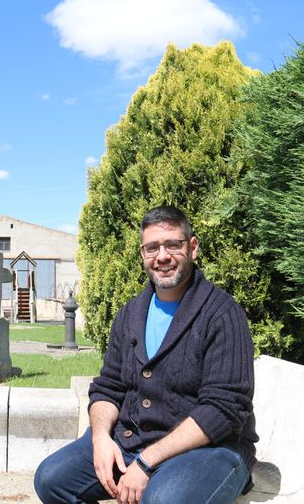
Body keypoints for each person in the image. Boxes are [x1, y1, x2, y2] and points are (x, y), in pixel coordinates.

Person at [34, 206, 257, 504]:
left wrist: (145, 462)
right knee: (51, 479)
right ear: (142, 254)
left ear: (192, 248)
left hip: (208, 450)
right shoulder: (130, 315)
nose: (162, 256)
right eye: (152, 247)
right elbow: (108, 387)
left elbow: (223, 409)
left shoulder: (223, 315)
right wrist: (100, 438)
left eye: (173, 245)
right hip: (131, 441)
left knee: (163, 499)